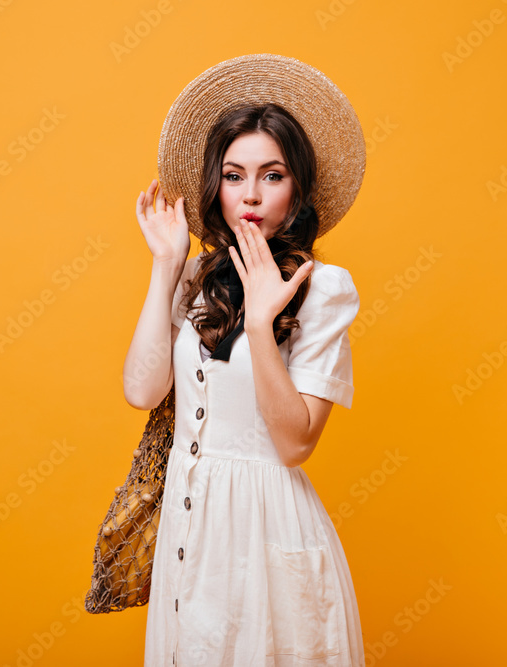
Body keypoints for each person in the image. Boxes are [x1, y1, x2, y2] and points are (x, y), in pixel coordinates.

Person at [123, 54, 367, 666]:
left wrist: (261, 323)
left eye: (272, 174)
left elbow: (294, 445)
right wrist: (165, 265)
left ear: (298, 188)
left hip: (265, 529)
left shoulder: (324, 287)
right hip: (189, 525)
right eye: (234, 176)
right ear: (215, 185)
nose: (251, 196)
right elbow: (141, 390)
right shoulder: (195, 280)